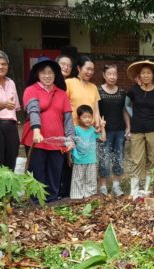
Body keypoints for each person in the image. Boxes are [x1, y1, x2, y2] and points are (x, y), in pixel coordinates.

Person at [21, 56, 75, 202]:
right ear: (37, 74)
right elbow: (33, 110)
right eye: (43, 72)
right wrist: (37, 130)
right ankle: (36, 203)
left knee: (55, 172)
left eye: (50, 72)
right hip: (36, 139)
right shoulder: (31, 90)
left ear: (55, 74)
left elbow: (68, 118)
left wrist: (70, 139)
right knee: (37, 173)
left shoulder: (61, 93)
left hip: (57, 141)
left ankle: (51, 201)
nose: (47, 76)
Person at [125, 60, 154, 198]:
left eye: (148, 73)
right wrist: (134, 116)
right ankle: (134, 191)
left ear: (152, 75)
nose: (146, 75)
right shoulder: (133, 90)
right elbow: (127, 105)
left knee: (153, 158)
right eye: (143, 73)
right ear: (139, 75)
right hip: (136, 129)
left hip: (153, 129)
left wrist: (153, 119)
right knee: (137, 159)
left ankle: (148, 188)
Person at [63, 56, 101, 196]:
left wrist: (97, 124)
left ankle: (88, 192)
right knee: (72, 162)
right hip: (73, 129)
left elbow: (96, 109)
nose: (90, 72)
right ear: (79, 68)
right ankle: (70, 193)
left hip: (89, 132)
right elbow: (64, 105)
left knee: (89, 162)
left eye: (92, 69)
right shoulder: (69, 83)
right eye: (87, 68)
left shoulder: (93, 87)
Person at [97, 64, 129, 197]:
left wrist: (128, 127)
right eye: (109, 74)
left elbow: (125, 111)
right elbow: (96, 111)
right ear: (104, 75)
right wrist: (99, 127)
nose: (112, 77)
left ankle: (116, 185)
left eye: (114, 74)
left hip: (120, 130)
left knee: (119, 157)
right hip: (105, 131)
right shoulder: (98, 91)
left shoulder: (122, 92)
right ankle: (103, 186)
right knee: (104, 158)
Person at [70, 105, 106, 199]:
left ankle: (90, 196)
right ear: (79, 118)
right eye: (84, 117)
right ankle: (76, 197)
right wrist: (70, 156)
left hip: (91, 160)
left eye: (89, 117)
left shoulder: (92, 129)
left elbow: (103, 138)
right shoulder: (76, 129)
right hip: (79, 159)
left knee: (91, 179)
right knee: (78, 179)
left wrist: (102, 127)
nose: (88, 119)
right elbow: (71, 143)